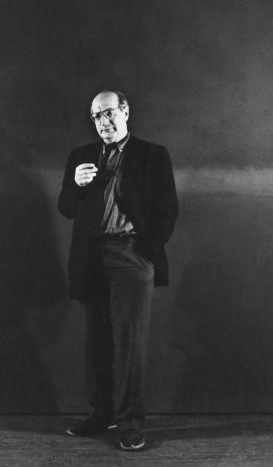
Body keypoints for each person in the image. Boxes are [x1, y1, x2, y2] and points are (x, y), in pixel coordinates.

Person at [58, 89, 179, 451]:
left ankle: (130, 423)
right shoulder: (80, 156)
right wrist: (76, 185)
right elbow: (66, 208)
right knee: (97, 341)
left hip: (131, 256)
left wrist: (147, 250)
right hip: (91, 258)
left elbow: (168, 209)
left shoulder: (153, 155)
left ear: (125, 111)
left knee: (129, 344)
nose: (103, 122)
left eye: (108, 112)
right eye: (96, 116)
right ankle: (102, 413)